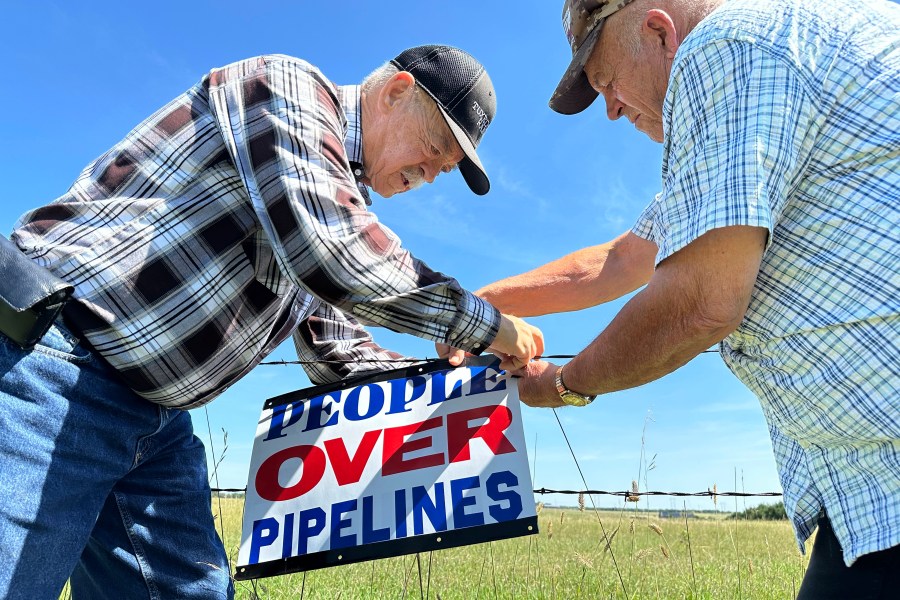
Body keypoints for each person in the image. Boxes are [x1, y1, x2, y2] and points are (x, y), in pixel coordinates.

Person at [0, 45, 543, 599]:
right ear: (395, 91)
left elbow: (343, 355)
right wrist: (489, 326)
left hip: (155, 425)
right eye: (434, 150)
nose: (429, 176)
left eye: (445, 171)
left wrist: (469, 388)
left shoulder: (327, 203)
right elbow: (336, 253)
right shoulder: (289, 89)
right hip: (54, 368)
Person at [476, 0, 900, 597]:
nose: (612, 109)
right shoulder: (774, 71)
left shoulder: (727, 44)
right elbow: (620, 260)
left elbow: (700, 302)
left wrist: (564, 386)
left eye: (606, 81)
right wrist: (475, 305)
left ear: (658, 31)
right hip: (873, 489)